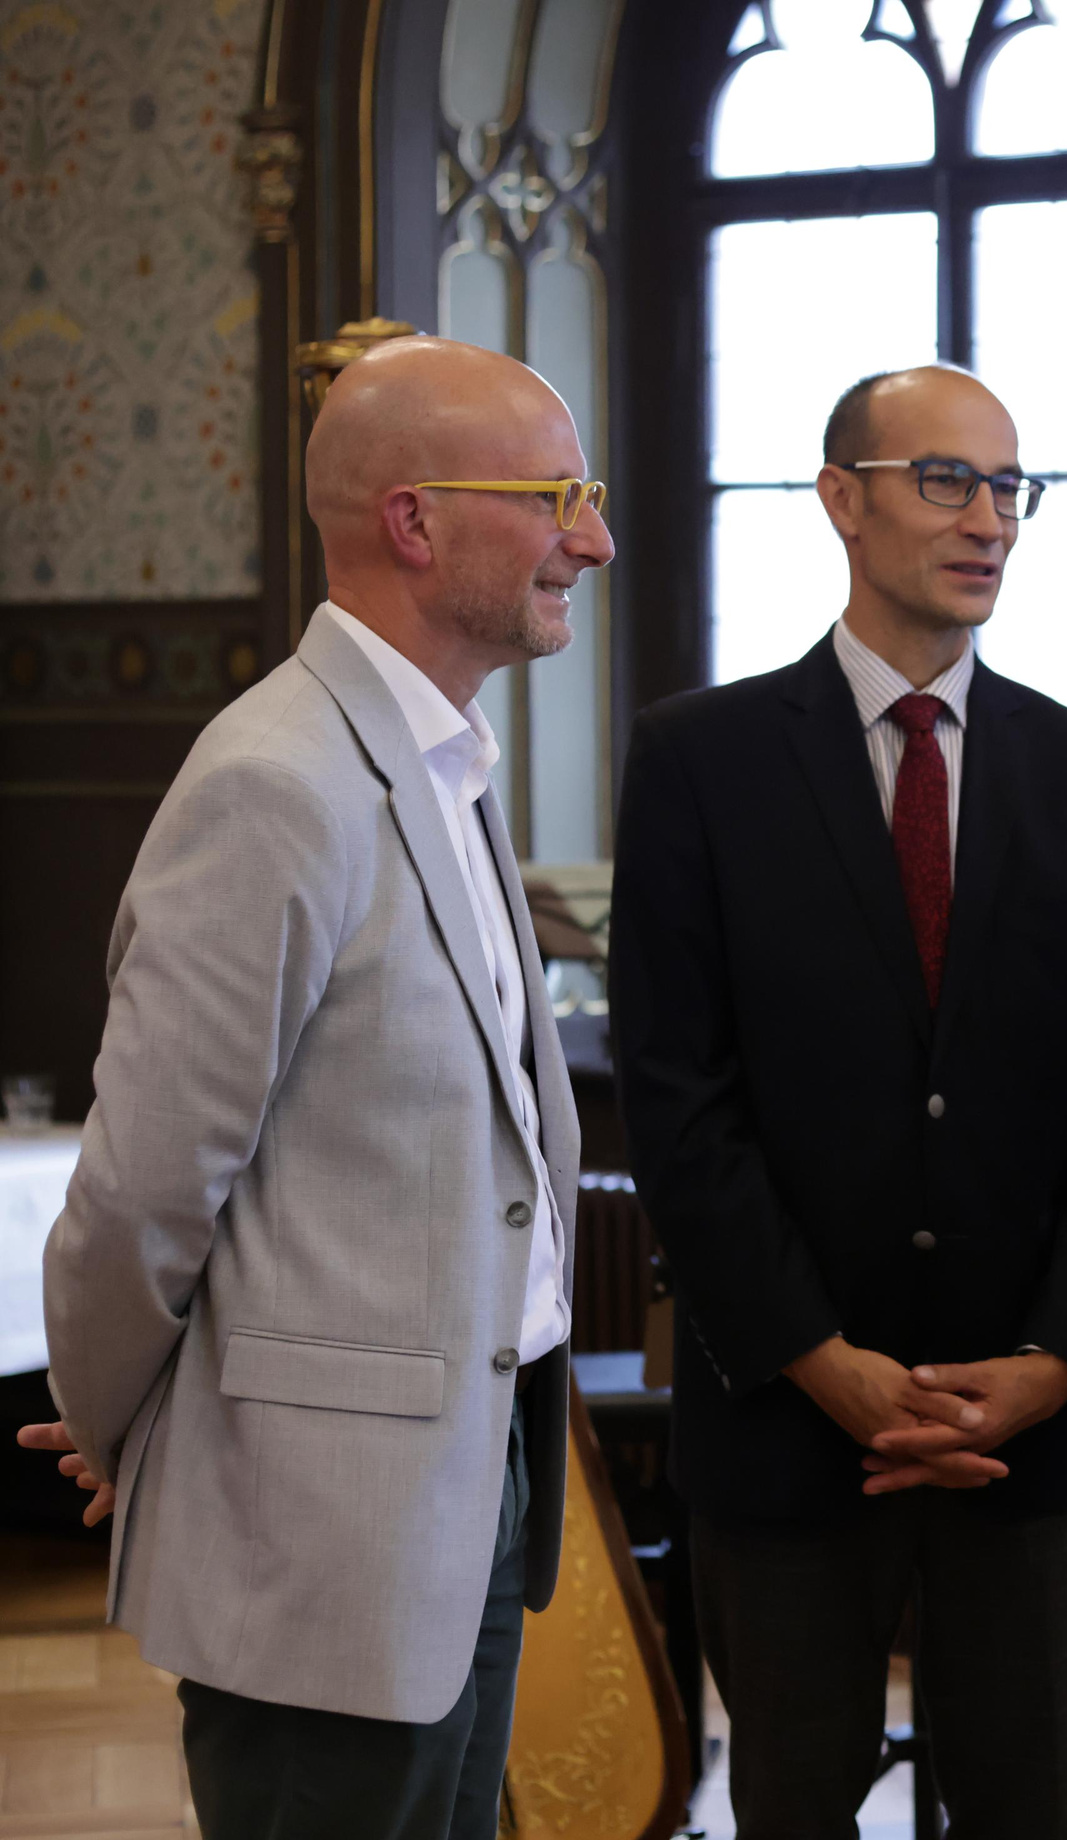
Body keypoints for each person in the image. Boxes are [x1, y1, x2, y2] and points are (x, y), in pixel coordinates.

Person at [18, 336, 606, 1839]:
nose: (591, 539)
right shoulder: (276, 782)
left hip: (474, 1485)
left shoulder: (441, 759)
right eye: (554, 496)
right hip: (323, 1535)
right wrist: (123, 1431)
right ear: (415, 522)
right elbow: (144, 1188)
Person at [609, 364, 1067, 1837]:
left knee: (1017, 1809)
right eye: (947, 481)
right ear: (842, 500)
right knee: (793, 1804)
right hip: (788, 1417)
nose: (989, 520)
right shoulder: (697, 762)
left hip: (1022, 1427)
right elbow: (679, 1103)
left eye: (1010, 489)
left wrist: (1052, 1363)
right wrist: (821, 1358)